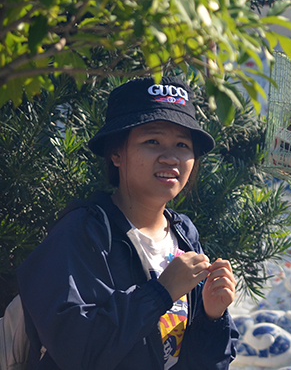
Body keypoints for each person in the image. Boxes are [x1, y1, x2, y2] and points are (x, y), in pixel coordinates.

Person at [17, 77, 239, 370]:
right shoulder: (81, 232)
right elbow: (76, 350)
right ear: (116, 153)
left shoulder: (185, 235)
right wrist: (161, 292)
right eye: (152, 141)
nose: (170, 157)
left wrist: (212, 317)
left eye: (183, 145)